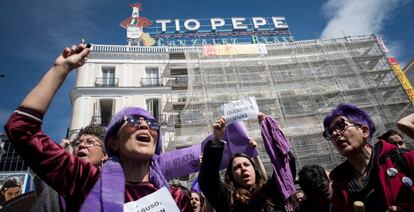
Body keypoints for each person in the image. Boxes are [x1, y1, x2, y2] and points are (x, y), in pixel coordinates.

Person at [4, 44, 191, 211]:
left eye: (151, 123)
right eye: (133, 121)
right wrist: (60, 69)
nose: (144, 125)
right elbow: (21, 129)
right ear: (114, 142)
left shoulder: (177, 198)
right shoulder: (86, 181)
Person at [322, 103, 414, 212]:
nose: (335, 133)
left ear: (364, 131)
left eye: (340, 125)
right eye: (329, 132)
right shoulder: (339, 182)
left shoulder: (403, 158)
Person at [199, 115, 294, 212]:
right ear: (231, 176)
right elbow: (208, 181)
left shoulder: (271, 190)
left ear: (254, 169)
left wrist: (271, 129)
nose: (243, 168)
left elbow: (286, 166)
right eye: (237, 168)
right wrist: (216, 140)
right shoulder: (228, 199)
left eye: (246, 164)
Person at [30, 124, 108, 212]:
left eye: (90, 142)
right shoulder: (54, 191)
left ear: (104, 155)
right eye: (77, 143)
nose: (81, 145)